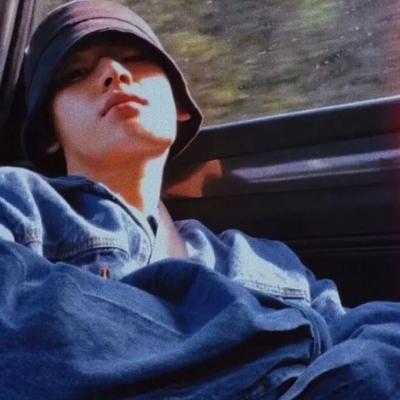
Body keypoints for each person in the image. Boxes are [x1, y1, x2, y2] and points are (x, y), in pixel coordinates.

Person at [0, 0, 399, 399]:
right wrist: (291, 347)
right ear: (49, 131)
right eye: (76, 73)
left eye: (136, 59)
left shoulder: (262, 261)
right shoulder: (18, 203)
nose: (114, 73)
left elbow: (376, 340)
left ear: (178, 107)